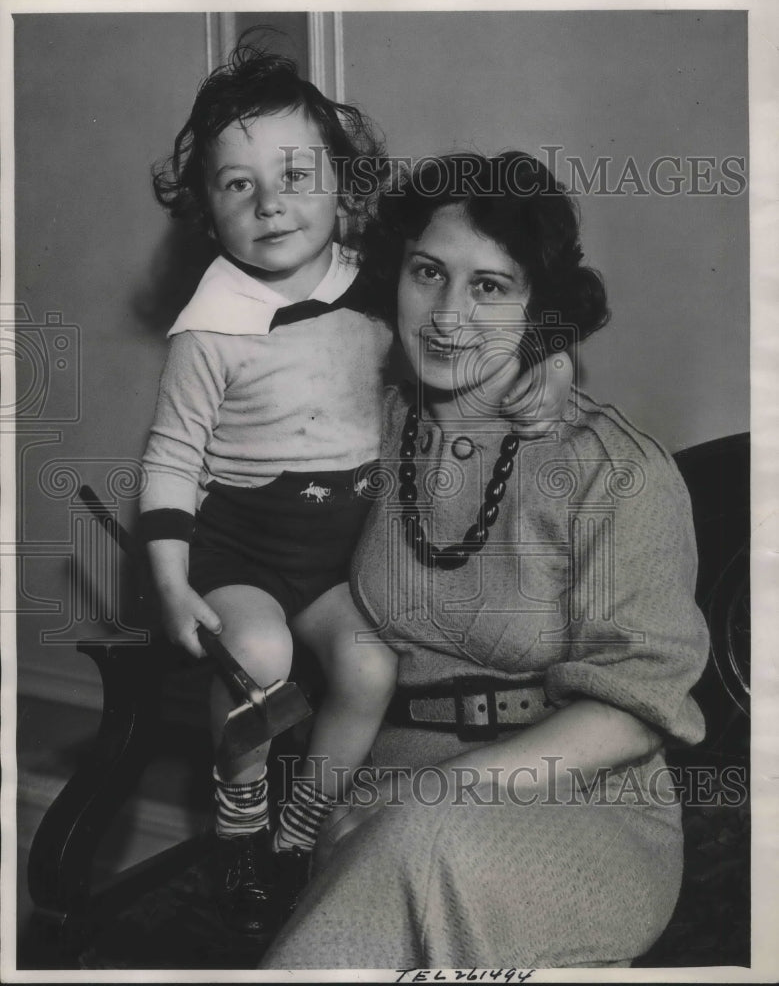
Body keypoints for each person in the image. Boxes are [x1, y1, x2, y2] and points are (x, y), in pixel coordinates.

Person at [139, 41, 572, 937]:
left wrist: (549, 355)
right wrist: (172, 583)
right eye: (237, 185)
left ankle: (299, 831)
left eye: (296, 175)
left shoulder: (376, 287)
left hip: (337, 552)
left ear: (343, 183)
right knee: (258, 655)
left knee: (370, 664)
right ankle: (239, 826)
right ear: (206, 211)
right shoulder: (208, 329)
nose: (270, 203)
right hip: (241, 546)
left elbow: (474, 326)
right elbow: (172, 455)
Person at [261, 151, 710, 970]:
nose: (447, 315)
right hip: (386, 780)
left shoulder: (613, 469)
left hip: (577, 799)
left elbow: (636, 707)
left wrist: (432, 795)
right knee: (408, 847)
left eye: (490, 287)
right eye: (427, 273)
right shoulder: (358, 431)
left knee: (424, 839)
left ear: (538, 308)